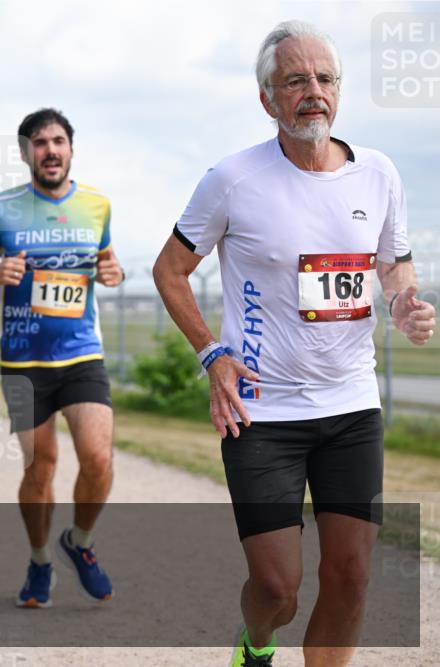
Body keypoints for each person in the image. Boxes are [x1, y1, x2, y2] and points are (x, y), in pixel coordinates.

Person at [152, 20, 435, 667]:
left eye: (325, 78)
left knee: (352, 574)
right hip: (261, 411)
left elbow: (394, 263)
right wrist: (210, 352)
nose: (313, 91)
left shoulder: (380, 174)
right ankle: (255, 643)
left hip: (351, 404)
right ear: (268, 99)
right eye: (295, 80)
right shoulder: (230, 179)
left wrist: (403, 302)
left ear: (340, 90)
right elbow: (169, 271)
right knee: (278, 587)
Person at [0, 108, 125, 609]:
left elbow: (106, 263)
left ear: (71, 149)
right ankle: (38, 562)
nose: (49, 150)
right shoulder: (1, 209)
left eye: (58, 141)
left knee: (98, 458)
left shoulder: (97, 205)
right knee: (41, 468)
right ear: (25, 152)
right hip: (23, 360)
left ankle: (78, 542)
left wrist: (112, 271)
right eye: (39, 142)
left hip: (80, 354)